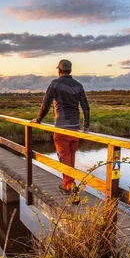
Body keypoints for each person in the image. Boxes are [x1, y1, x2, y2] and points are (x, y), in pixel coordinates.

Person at [30, 59, 90, 195]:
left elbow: (45, 104)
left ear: (59, 70)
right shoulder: (79, 86)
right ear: (70, 70)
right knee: (71, 157)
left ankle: (69, 185)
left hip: (61, 128)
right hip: (76, 129)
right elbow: (86, 107)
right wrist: (86, 127)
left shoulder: (55, 84)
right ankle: (69, 183)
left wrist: (38, 119)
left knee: (63, 157)